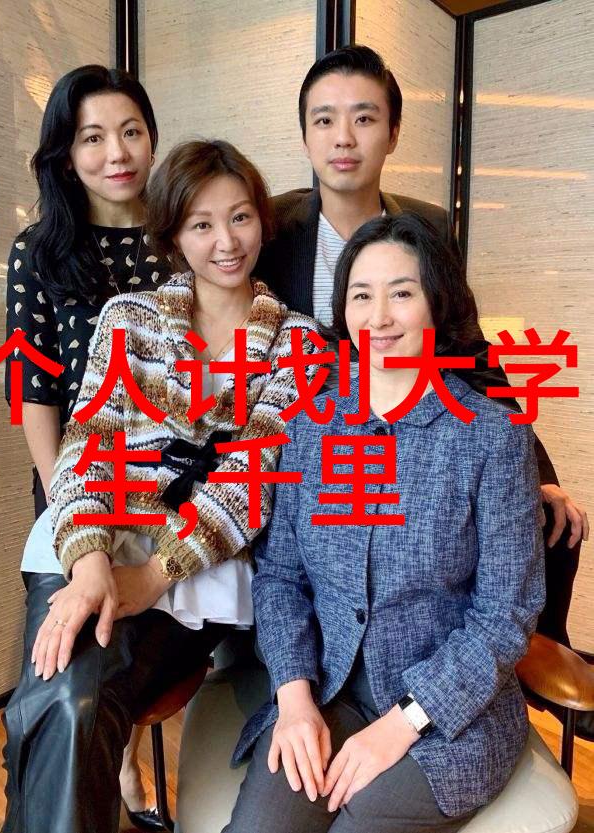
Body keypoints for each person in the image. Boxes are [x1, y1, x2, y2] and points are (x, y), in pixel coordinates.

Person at [1, 138, 320, 833]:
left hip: (196, 570)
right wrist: (91, 564)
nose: (225, 241)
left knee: (65, 702)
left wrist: (153, 574)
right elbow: (87, 446)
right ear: (173, 235)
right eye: (202, 224)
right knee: (66, 700)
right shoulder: (129, 318)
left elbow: (254, 480)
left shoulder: (298, 344)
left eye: (239, 217)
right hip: (90, 537)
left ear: (263, 222)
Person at [256, 43, 587, 651]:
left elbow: (470, 353)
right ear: (305, 136)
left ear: (393, 132)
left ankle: (523, 660)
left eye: (364, 117)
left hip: (419, 441)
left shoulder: (427, 227)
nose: (343, 137)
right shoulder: (271, 230)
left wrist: (533, 473)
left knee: (551, 521)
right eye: (324, 120)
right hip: (311, 444)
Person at [225, 212, 546, 833]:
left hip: (452, 714)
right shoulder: (311, 426)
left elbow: (505, 614)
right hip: (331, 691)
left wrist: (402, 724)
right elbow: (281, 578)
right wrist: (294, 697)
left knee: (361, 819)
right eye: (361, 296)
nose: (379, 317)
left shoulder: (493, 437)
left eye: (401, 293)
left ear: (436, 305)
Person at [3, 64, 174, 829]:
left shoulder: (182, 238)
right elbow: (36, 397)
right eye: (93, 137)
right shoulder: (39, 252)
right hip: (76, 490)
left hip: (171, 500)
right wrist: (77, 528)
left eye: (130, 131)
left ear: (152, 138)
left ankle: (122, 754)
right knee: (62, 683)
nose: (117, 152)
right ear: (65, 155)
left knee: (94, 677)